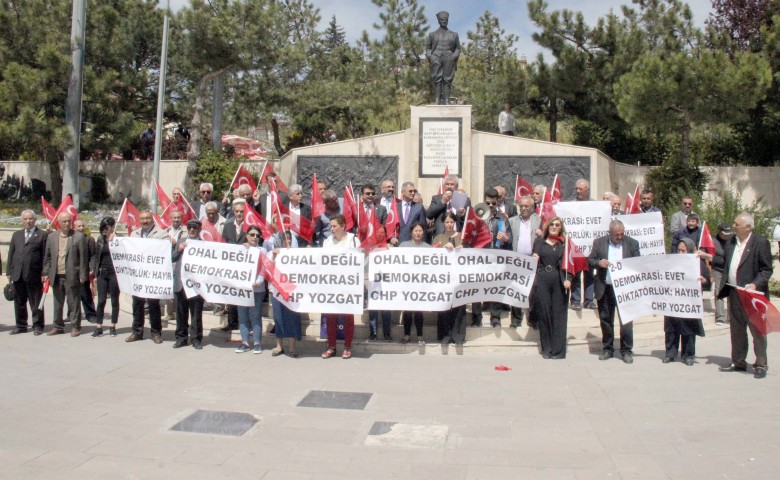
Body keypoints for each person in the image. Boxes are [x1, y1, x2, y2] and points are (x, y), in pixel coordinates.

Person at [714, 212, 773, 379]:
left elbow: (766, 269)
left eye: (736, 224)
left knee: (757, 330)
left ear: (748, 227)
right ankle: (738, 361)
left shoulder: (760, 242)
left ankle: (761, 363)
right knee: (737, 329)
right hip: (734, 292)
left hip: (752, 295)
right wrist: (706, 256)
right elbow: (724, 262)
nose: (733, 226)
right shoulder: (731, 241)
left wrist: (755, 283)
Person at [588, 219, 641, 363]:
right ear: (609, 233)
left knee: (626, 321)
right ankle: (608, 349)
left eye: (621, 234)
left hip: (625, 289)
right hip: (605, 287)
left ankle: (626, 350)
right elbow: (590, 260)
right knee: (606, 319)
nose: (619, 237)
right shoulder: (599, 243)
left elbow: (638, 263)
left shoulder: (632, 243)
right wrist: (599, 263)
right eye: (616, 234)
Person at [531, 217, 573, 359]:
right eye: (552, 225)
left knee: (559, 315)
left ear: (561, 228)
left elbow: (571, 265)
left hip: (559, 281)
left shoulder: (565, 244)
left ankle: (558, 350)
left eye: (557, 225)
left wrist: (568, 279)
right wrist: (534, 259)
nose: (554, 227)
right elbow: (533, 261)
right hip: (543, 279)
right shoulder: (539, 242)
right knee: (544, 313)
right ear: (547, 227)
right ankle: (547, 348)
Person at [663, 238, 710, 365]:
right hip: (673, 300)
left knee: (688, 328)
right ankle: (670, 353)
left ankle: (688, 355)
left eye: (683, 250)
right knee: (671, 328)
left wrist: (703, 280)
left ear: (689, 250)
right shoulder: (671, 262)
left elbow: (707, 281)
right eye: (678, 250)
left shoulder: (697, 262)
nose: (680, 253)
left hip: (689, 301)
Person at [321, 214, 361, 359]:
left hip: (348, 285)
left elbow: (360, 260)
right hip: (331, 284)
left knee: (347, 316)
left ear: (343, 226)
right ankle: (331, 346)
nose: (331, 229)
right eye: (330, 226)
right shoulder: (327, 241)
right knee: (330, 316)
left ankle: (347, 347)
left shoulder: (353, 240)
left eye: (334, 226)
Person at [471, 188, 512, 328]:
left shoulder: (502, 218)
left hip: (495, 257)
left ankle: (495, 317)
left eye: (493, 204)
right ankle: (476, 317)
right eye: (488, 203)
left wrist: (505, 238)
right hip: (479, 257)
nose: (490, 206)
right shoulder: (477, 216)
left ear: (497, 203)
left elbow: (510, 239)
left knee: (495, 288)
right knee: (476, 288)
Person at [126, 210, 169, 343]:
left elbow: (165, 250)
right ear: (139, 220)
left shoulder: (161, 233)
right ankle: (137, 332)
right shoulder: (134, 234)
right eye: (143, 219)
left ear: (152, 219)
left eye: (147, 218)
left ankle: (156, 332)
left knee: (153, 305)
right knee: (137, 304)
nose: (145, 221)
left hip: (153, 276)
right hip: (138, 276)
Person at [43, 212, 88, 336]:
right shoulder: (52, 237)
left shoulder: (78, 237)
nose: (67, 223)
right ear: (59, 222)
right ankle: (58, 326)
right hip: (56, 275)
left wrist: (83, 275)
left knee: (73, 302)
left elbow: (84, 258)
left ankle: (75, 326)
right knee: (57, 302)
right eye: (64, 221)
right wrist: (45, 272)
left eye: (69, 221)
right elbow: (47, 257)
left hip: (72, 275)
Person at [6, 209, 47, 335]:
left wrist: (44, 272)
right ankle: (21, 325)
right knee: (19, 301)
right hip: (17, 274)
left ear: (35, 220)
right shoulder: (16, 235)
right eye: (25, 219)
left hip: (34, 274)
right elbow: (11, 253)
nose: (28, 221)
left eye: (30, 219)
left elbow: (45, 255)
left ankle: (38, 325)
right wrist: (9, 272)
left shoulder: (42, 235)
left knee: (36, 301)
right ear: (22, 220)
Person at [265, 229, 302, 357]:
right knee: (278, 317)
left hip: (291, 290)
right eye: (285, 239)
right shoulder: (271, 253)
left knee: (292, 317)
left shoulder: (295, 254)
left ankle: (292, 347)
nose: (288, 242)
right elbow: (268, 272)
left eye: (290, 239)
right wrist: (275, 258)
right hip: (276, 290)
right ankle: (279, 346)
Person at [360, 184, 391, 341]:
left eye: (372, 193)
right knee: (371, 295)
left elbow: (384, 229)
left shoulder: (381, 210)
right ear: (362, 195)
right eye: (367, 193)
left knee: (382, 293)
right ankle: (372, 331)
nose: (370, 195)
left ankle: (387, 332)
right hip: (363, 255)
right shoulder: (357, 210)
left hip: (378, 255)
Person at [172, 219, 206, 350]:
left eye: (195, 228)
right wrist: (179, 250)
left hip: (196, 286)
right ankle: (181, 338)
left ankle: (196, 339)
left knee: (196, 314)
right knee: (181, 313)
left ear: (199, 229)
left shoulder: (204, 244)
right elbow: (172, 257)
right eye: (190, 227)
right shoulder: (181, 242)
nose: (192, 230)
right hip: (181, 284)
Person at [508, 195, 541, 328]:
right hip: (517, 260)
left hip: (533, 260)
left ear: (532, 207)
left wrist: (542, 233)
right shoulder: (512, 221)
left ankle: (533, 320)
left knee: (533, 291)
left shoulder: (539, 221)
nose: (523, 208)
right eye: (521, 206)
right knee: (516, 290)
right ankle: (516, 320)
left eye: (526, 206)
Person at [234, 225, 267, 354]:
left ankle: (257, 343)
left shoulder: (262, 251)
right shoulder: (240, 249)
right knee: (242, 316)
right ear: (247, 235)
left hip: (257, 289)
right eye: (252, 235)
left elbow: (265, 268)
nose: (254, 237)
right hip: (242, 289)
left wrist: (259, 281)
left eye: (257, 235)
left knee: (255, 315)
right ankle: (245, 342)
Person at [433, 212, 466, 343]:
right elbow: (433, 256)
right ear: (443, 223)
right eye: (446, 222)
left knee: (459, 308)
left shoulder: (461, 237)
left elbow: (469, 253)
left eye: (451, 222)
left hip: (458, 278)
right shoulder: (438, 238)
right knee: (444, 306)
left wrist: (462, 249)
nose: (449, 225)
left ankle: (458, 335)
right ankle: (445, 335)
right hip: (443, 279)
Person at [398, 222, 431, 344]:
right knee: (406, 311)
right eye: (416, 231)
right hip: (407, 284)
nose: (418, 233)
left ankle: (420, 336)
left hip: (421, 285)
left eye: (420, 231)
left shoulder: (428, 248)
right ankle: (406, 335)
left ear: (423, 232)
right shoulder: (403, 246)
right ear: (411, 232)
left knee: (418, 311)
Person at [220, 199, 248, 332]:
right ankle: (232, 322)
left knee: (243, 295)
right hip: (231, 266)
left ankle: (245, 323)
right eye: (236, 211)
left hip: (244, 267)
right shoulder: (228, 225)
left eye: (241, 211)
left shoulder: (250, 226)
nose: (238, 214)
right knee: (231, 294)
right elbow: (224, 243)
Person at [90, 217, 120, 337]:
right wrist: (95, 273)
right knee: (101, 300)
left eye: (107, 228)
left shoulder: (119, 239)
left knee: (114, 300)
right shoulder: (100, 239)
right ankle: (99, 326)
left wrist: (115, 241)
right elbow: (96, 257)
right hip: (103, 272)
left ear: (112, 227)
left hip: (115, 274)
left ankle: (113, 325)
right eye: (103, 228)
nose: (104, 231)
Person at [425, 11, 460, 105]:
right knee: (437, 80)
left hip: (449, 58)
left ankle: (446, 101)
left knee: (447, 80)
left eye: (446, 20)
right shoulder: (432, 35)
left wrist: (453, 57)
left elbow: (458, 48)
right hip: (436, 57)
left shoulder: (454, 34)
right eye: (442, 19)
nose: (444, 21)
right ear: (438, 21)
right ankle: (437, 100)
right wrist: (431, 57)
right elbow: (428, 49)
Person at [571, 178, 595, 310]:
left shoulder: (595, 205)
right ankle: (575, 300)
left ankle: (589, 300)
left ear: (587, 190)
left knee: (590, 273)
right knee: (576, 273)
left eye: (581, 189)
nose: (578, 191)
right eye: (576, 189)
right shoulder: (571, 205)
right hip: (577, 245)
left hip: (591, 246)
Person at [73, 219, 97, 325]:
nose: (81, 228)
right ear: (74, 227)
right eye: (78, 226)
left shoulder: (89, 239)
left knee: (85, 294)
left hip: (84, 271)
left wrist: (92, 268)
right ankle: (72, 314)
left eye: (82, 225)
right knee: (71, 295)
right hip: (72, 271)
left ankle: (91, 314)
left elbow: (93, 255)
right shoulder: (70, 239)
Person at [711, 223, 732, 325]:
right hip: (717, 269)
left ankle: (731, 316)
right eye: (724, 233)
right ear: (719, 232)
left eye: (728, 233)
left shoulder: (732, 241)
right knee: (719, 291)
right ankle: (720, 316)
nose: (726, 235)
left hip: (729, 269)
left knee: (731, 292)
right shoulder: (713, 242)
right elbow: (710, 257)